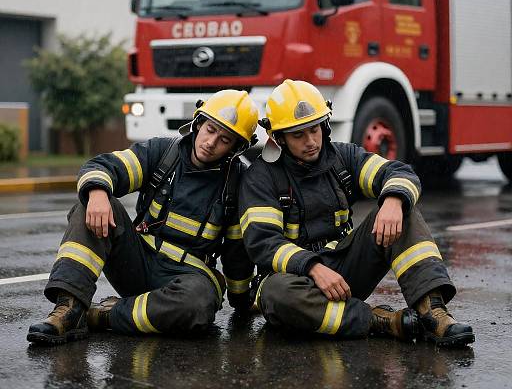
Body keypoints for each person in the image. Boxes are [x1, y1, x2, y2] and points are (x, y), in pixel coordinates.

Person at [239, 79, 474, 347]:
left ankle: (433, 313)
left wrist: (394, 201)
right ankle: (378, 321)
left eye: (314, 129)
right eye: (298, 135)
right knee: (275, 294)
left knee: (402, 209)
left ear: (324, 125)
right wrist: (313, 267)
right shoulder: (260, 177)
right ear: (277, 137)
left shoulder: (342, 157)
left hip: (346, 272)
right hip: (299, 281)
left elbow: (398, 172)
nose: (311, 141)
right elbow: (263, 242)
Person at [28, 89, 257, 345]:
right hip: (137, 263)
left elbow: (238, 253)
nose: (211, 142)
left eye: (225, 139)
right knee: (90, 207)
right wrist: (97, 193)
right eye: (210, 130)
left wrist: (242, 299)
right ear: (198, 123)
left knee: (199, 303)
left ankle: (100, 315)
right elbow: (103, 166)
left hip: (187, 277)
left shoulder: (238, 182)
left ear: (237, 147)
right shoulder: (163, 153)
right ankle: (68, 310)